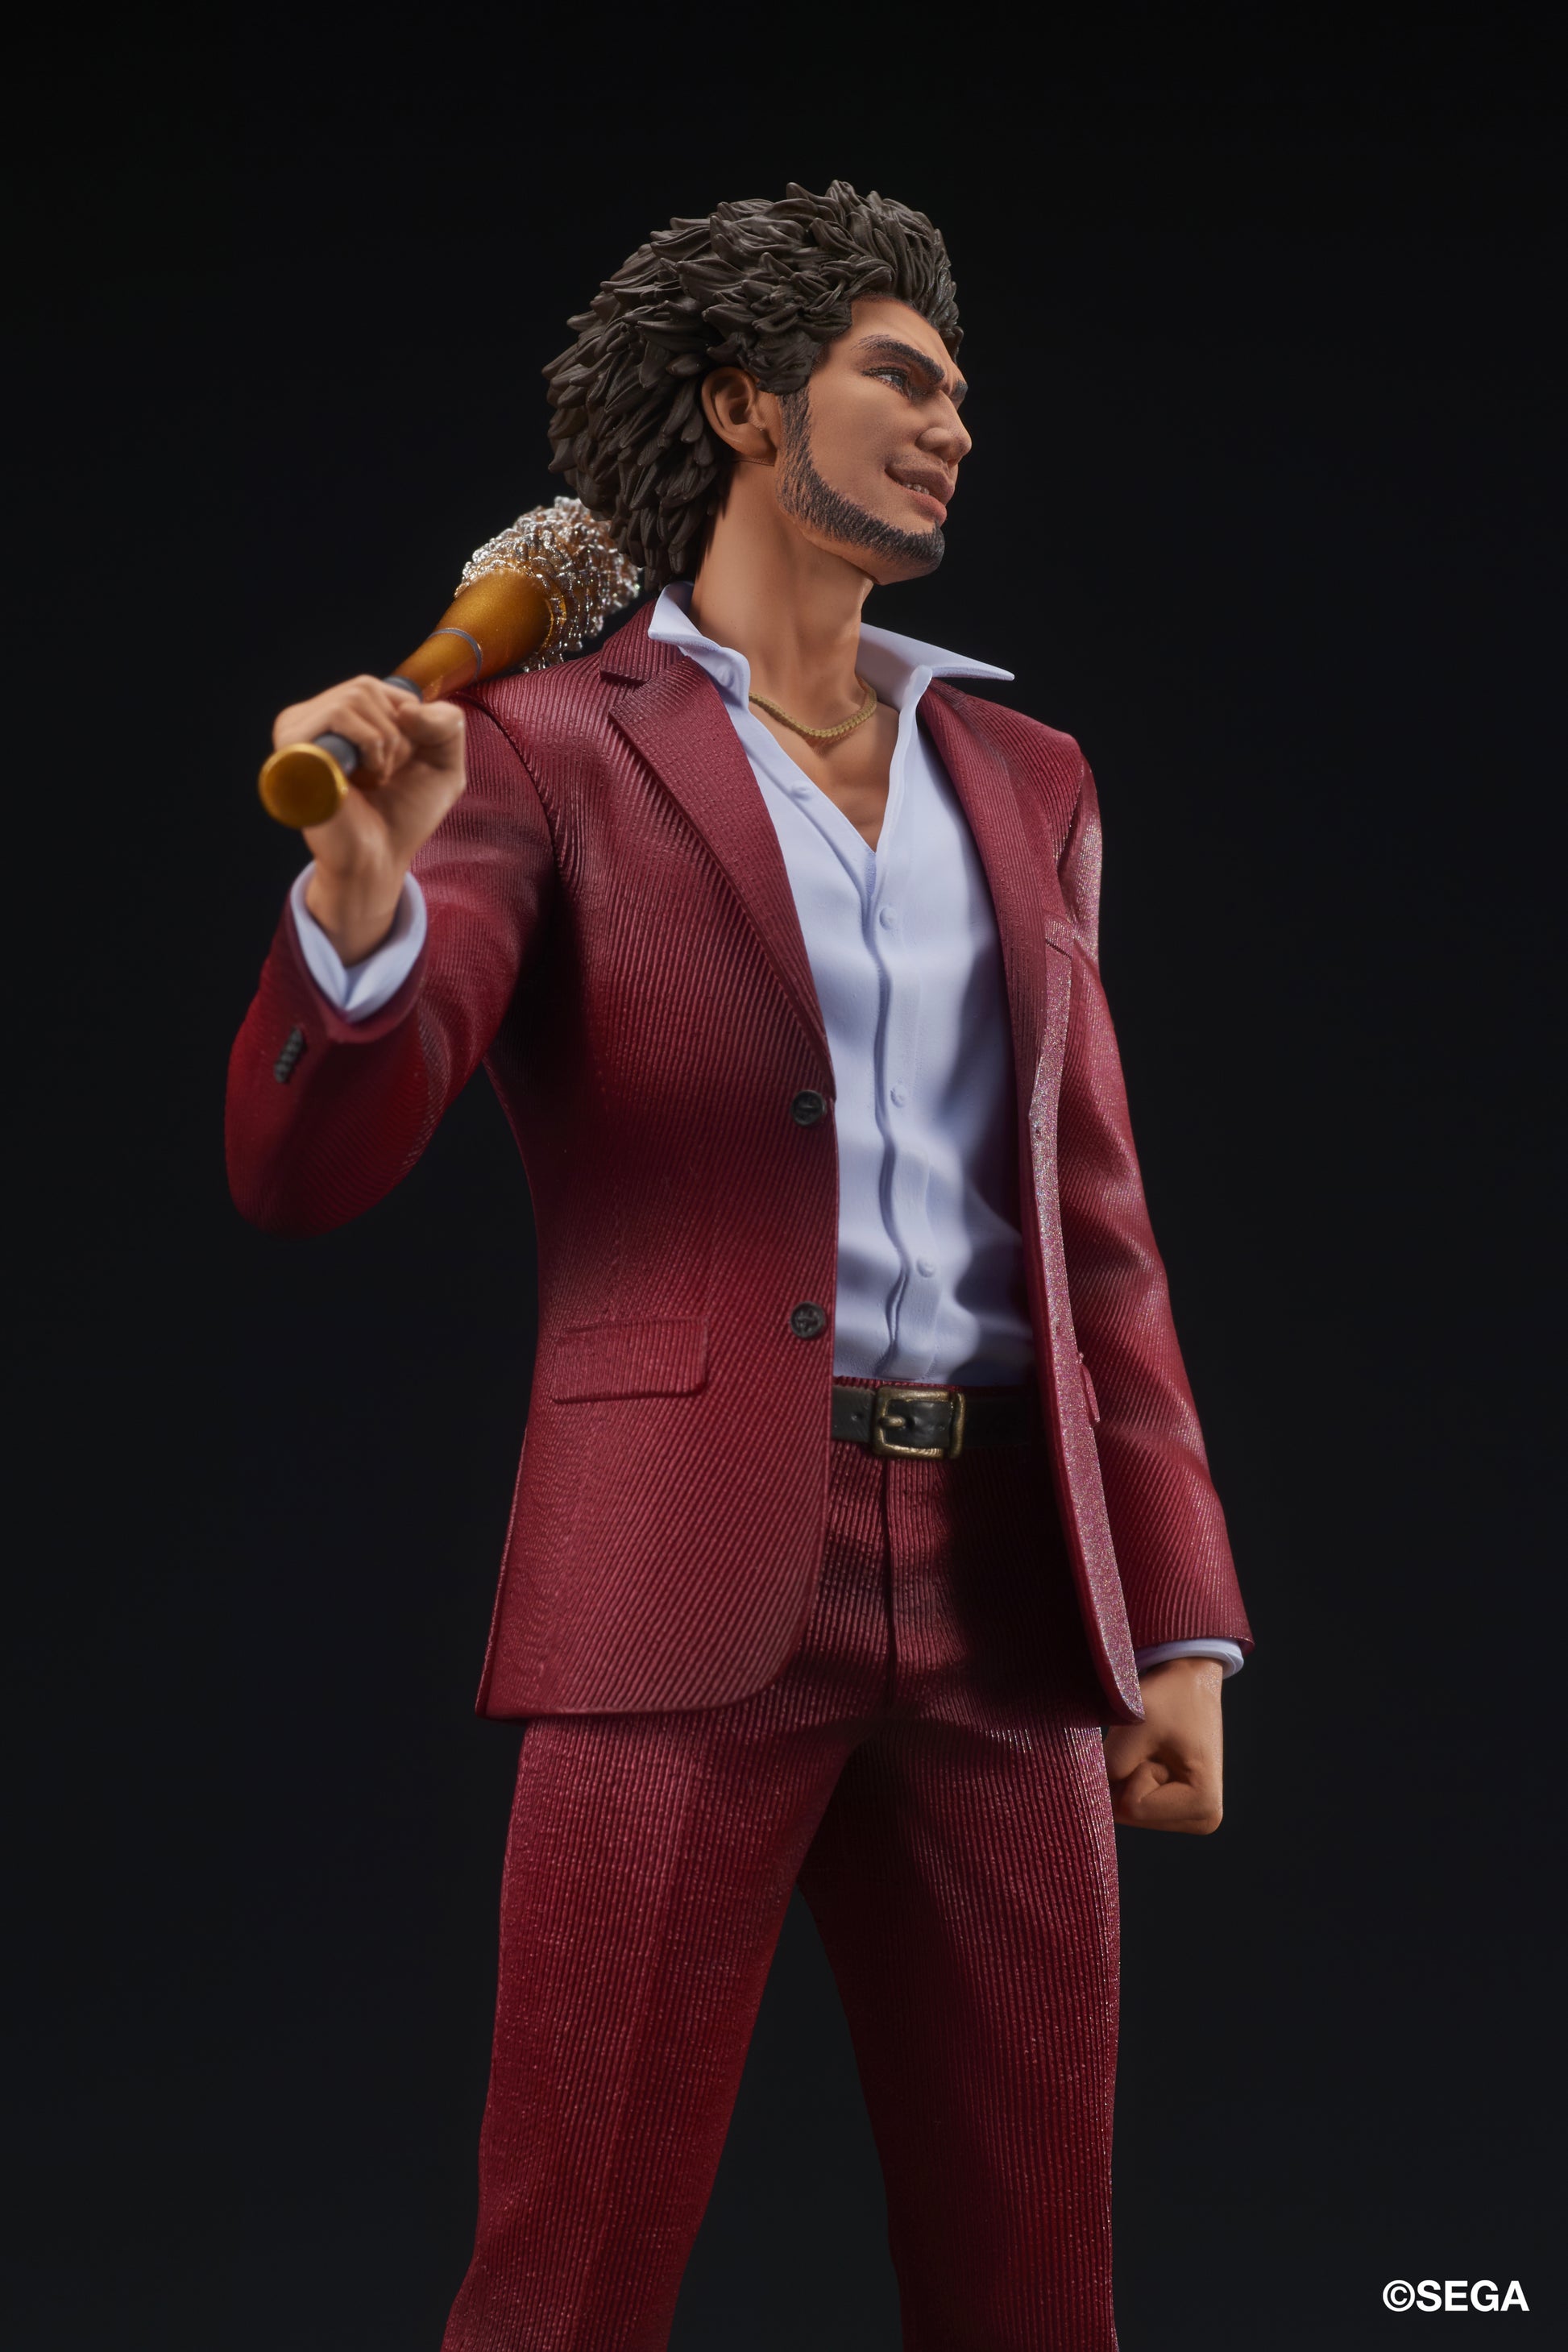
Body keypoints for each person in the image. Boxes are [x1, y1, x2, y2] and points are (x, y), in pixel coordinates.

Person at [227, 180, 1253, 2352]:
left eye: (961, 389)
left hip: (1008, 1591)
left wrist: (1175, 1619)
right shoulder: (544, 749)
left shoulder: (1028, 779)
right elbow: (310, 1168)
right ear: (743, 407)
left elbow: (1098, 1228)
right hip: (676, 1578)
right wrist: (359, 913)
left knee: (1036, 2281)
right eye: (902, 375)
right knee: (571, 2270)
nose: (955, 423)